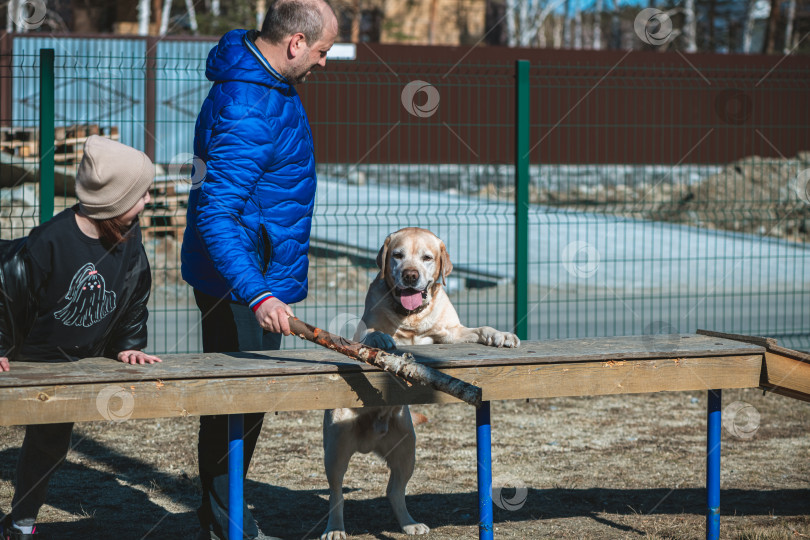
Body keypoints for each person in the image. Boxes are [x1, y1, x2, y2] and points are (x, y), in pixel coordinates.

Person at [180, 0, 338, 538]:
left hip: (251, 274)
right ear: (295, 43)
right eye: (321, 51)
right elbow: (216, 213)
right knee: (237, 404)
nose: (323, 62)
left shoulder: (268, 85)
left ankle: (222, 517)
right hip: (239, 283)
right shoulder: (250, 102)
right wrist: (257, 294)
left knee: (242, 403)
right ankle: (229, 527)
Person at [0, 135, 161, 539]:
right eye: (140, 195)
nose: (146, 203)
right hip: (27, 354)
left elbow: (134, 291)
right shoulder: (49, 242)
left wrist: (129, 344)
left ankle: (20, 523)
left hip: (69, 361)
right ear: (115, 200)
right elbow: (6, 291)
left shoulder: (129, 239)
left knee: (49, 446)